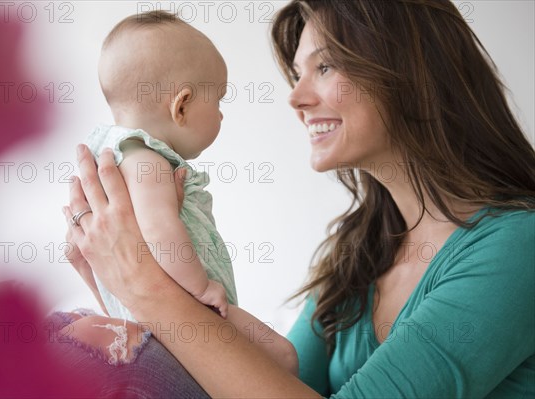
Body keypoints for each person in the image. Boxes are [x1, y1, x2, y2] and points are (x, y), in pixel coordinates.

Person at [63, 0, 535, 397]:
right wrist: (113, 282)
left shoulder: (518, 247)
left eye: (324, 66)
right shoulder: (357, 253)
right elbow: (273, 383)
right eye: (297, 73)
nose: (295, 97)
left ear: (410, 73)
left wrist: (142, 285)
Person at [63, 10, 298, 375]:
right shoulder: (148, 160)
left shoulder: (111, 155)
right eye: (218, 100)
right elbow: (160, 231)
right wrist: (202, 288)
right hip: (188, 307)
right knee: (283, 358)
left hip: (148, 312)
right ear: (182, 105)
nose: (221, 115)